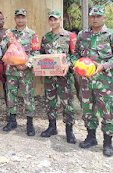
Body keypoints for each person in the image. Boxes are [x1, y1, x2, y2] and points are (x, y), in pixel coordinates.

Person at [73, 6, 113, 157]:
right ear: (89, 18)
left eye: (98, 16)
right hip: (86, 81)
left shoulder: (112, 35)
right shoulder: (82, 35)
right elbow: (75, 54)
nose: (95, 19)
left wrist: (104, 66)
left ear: (104, 18)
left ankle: (108, 142)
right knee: (88, 109)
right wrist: (76, 64)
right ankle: (91, 137)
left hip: (105, 81)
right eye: (92, 16)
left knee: (107, 111)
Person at [40, 10, 77, 144]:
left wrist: (69, 64)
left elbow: (75, 55)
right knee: (50, 101)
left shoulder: (69, 36)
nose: (53, 22)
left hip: (64, 77)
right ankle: (52, 127)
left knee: (67, 103)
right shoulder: (45, 37)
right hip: (50, 77)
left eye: (55, 19)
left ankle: (69, 131)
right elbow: (42, 55)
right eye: (51, 20)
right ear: (49, 21)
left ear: (60, 20)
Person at [1, 9, 40, 136]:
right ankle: (12, 121)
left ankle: (29, 124)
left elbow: (36, 53)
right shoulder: (9, 33)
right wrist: (6, 43)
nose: (20, 20)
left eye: (23, 17)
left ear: (26, 19)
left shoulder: (32, 34)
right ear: (15, 18)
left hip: (26, 72)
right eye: (18, 17)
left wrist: (27, 65)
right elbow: (1, 49)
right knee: (11, 96)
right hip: (12, 71)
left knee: (28, 97)